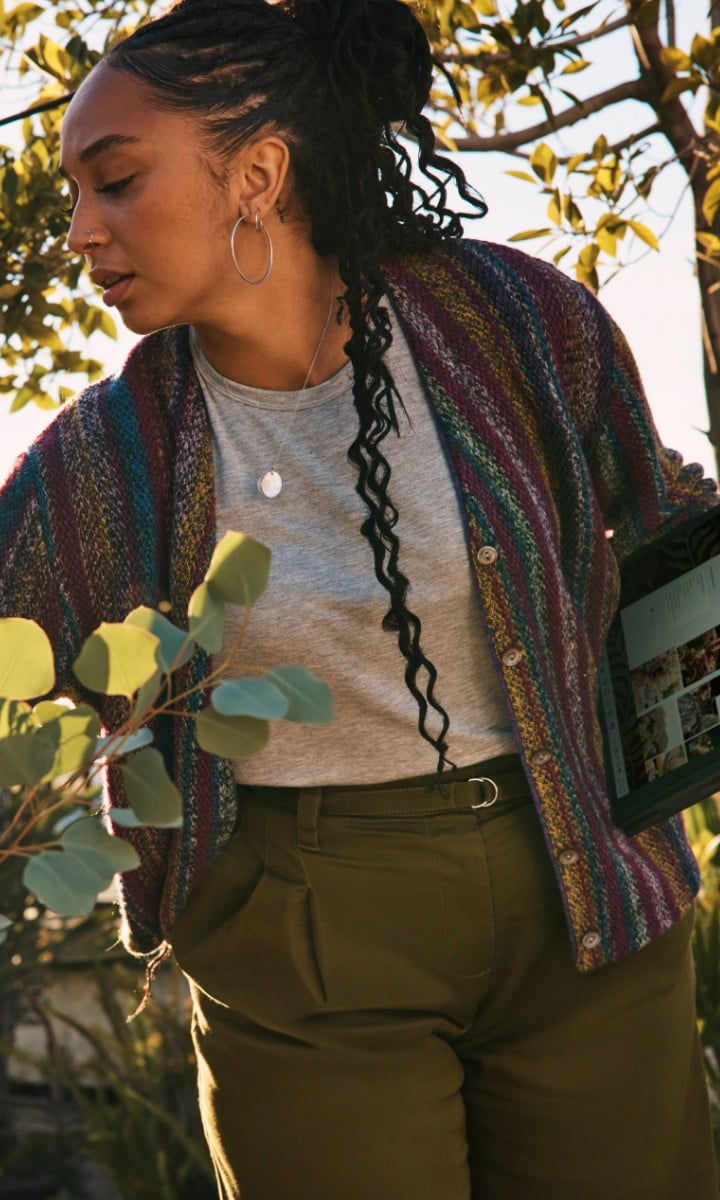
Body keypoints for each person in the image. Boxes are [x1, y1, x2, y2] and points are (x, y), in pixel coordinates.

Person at [0, 1, 717, 1196]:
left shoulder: (514, 325)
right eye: (75, 193)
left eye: (115, 182)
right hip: (300, 933)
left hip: (583, 895)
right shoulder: (104, 461)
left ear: (260, 173)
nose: (80, 229)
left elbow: (661, 515)